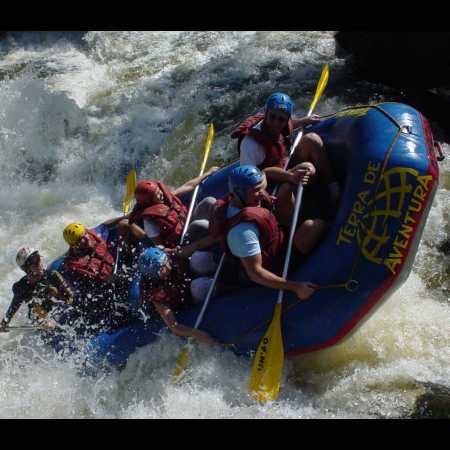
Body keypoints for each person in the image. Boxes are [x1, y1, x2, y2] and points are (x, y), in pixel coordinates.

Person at [192, 165, 319, 299]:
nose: (261, 192)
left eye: (261, 188)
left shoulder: (240, 196)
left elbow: (265, 173)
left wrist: (290, 176)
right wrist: (296, 287)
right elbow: (256, 273)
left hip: (274, 235)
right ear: (239, 193)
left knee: (293, 180)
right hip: (273, 261)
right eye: (256, 191)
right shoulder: (242, 232)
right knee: (313, 228)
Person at [232, 92, 341, 218]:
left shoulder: (281, 122)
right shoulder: (250, 144)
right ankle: (296, 219)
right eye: (272, 117)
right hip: (267, 184)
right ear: (266, 113)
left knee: (312, 139)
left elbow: (289, 125)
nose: (276, 123)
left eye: (281, 120)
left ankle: (332, 185)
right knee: (301, 173)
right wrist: (288, 177)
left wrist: (303, 121)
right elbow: (250, 182)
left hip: (284, 165)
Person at [103, 167, 219, 267]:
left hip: (185, 222)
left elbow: (188, 185)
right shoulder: (150, 222)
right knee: (200, 225)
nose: (161, 195)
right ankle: (220, 235)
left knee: (209, 202)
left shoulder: (165, 198)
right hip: (181, 240)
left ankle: (222, 221)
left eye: (159, 191)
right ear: (149, 201)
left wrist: (207, 173)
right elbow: (160, 247)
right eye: (157, 195)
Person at [60, 223, 135, 333]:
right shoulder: (76, 264)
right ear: (74, 245)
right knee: (120, 283)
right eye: (81, 238)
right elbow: (101, 280)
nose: (86, 237)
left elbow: (105, 225)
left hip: (113, 269)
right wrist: (117, 277)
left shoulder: (92, 236)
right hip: (99, 289)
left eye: (85, 233)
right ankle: (120, 316)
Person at [137, 246, 219, 346]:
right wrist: (197, 334)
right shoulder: (153, 291)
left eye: (165, 262)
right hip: (188, 299)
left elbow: (188, 249)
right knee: (199, 287)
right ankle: (230, 288)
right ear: (155, 275)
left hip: (189, 279)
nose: (167, 267)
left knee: (199, 259)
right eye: (162, 268)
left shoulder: (167, 255)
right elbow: (174, 326)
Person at [0, 247, 74, 333]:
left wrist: (55, 319)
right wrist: (5, 322)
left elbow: (70, 299)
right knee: (34, 305)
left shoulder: (52, 276)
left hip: (59, 311)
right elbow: (14, 306)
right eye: (35, 262)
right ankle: (45, 326)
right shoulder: (22, 287)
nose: (39, 263)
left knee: (53, 291)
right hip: (41, 318)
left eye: (39, 258)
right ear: (27, 269)